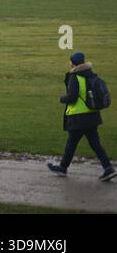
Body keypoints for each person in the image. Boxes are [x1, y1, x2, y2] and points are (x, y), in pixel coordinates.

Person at [47, 52, 115, 181]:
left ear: (72, 62)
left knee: (71, 144)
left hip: (78, 117)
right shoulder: (91, 74)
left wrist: (62, 99)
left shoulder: (75, 77)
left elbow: (72, 98)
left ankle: (63, 168)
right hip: (92, 115)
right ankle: (108, 168)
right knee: (95, 144)